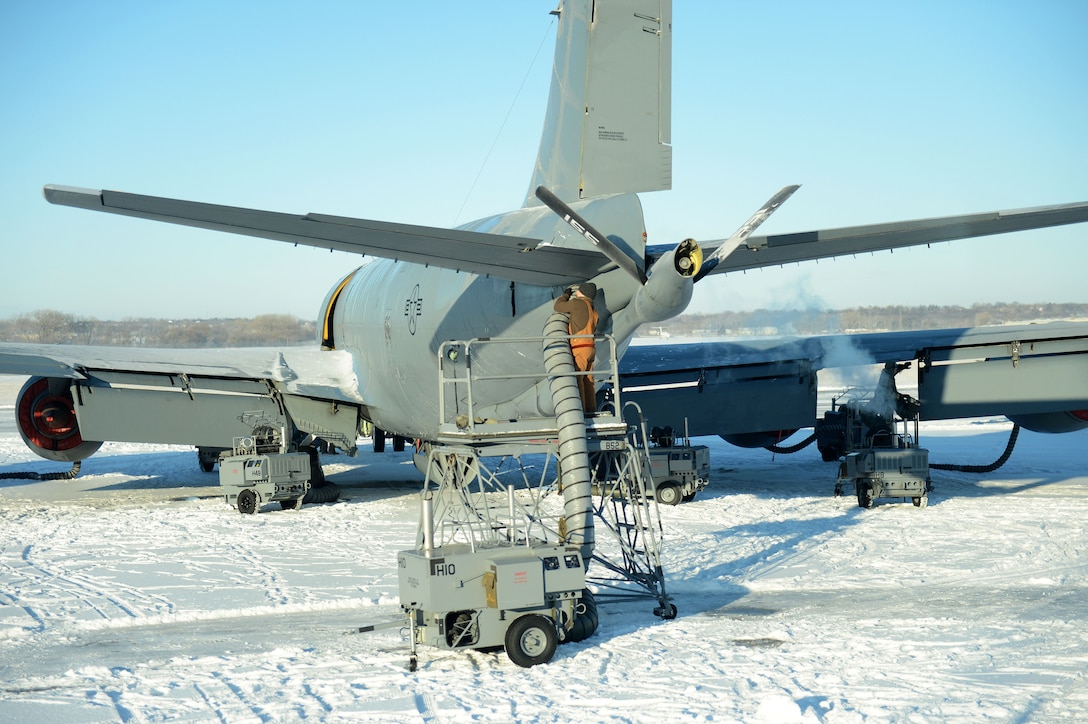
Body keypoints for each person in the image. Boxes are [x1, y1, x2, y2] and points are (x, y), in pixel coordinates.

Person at [553, 283, 599, 412]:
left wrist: (566, 294)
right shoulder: (593, 308)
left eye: (579, 290)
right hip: (591, 348)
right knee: (588, 381)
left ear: (582, 292)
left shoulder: (577, 303)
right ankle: (591, 410)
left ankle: (581, 412)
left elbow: (558, 307)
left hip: (580, 348)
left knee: (578, 380)